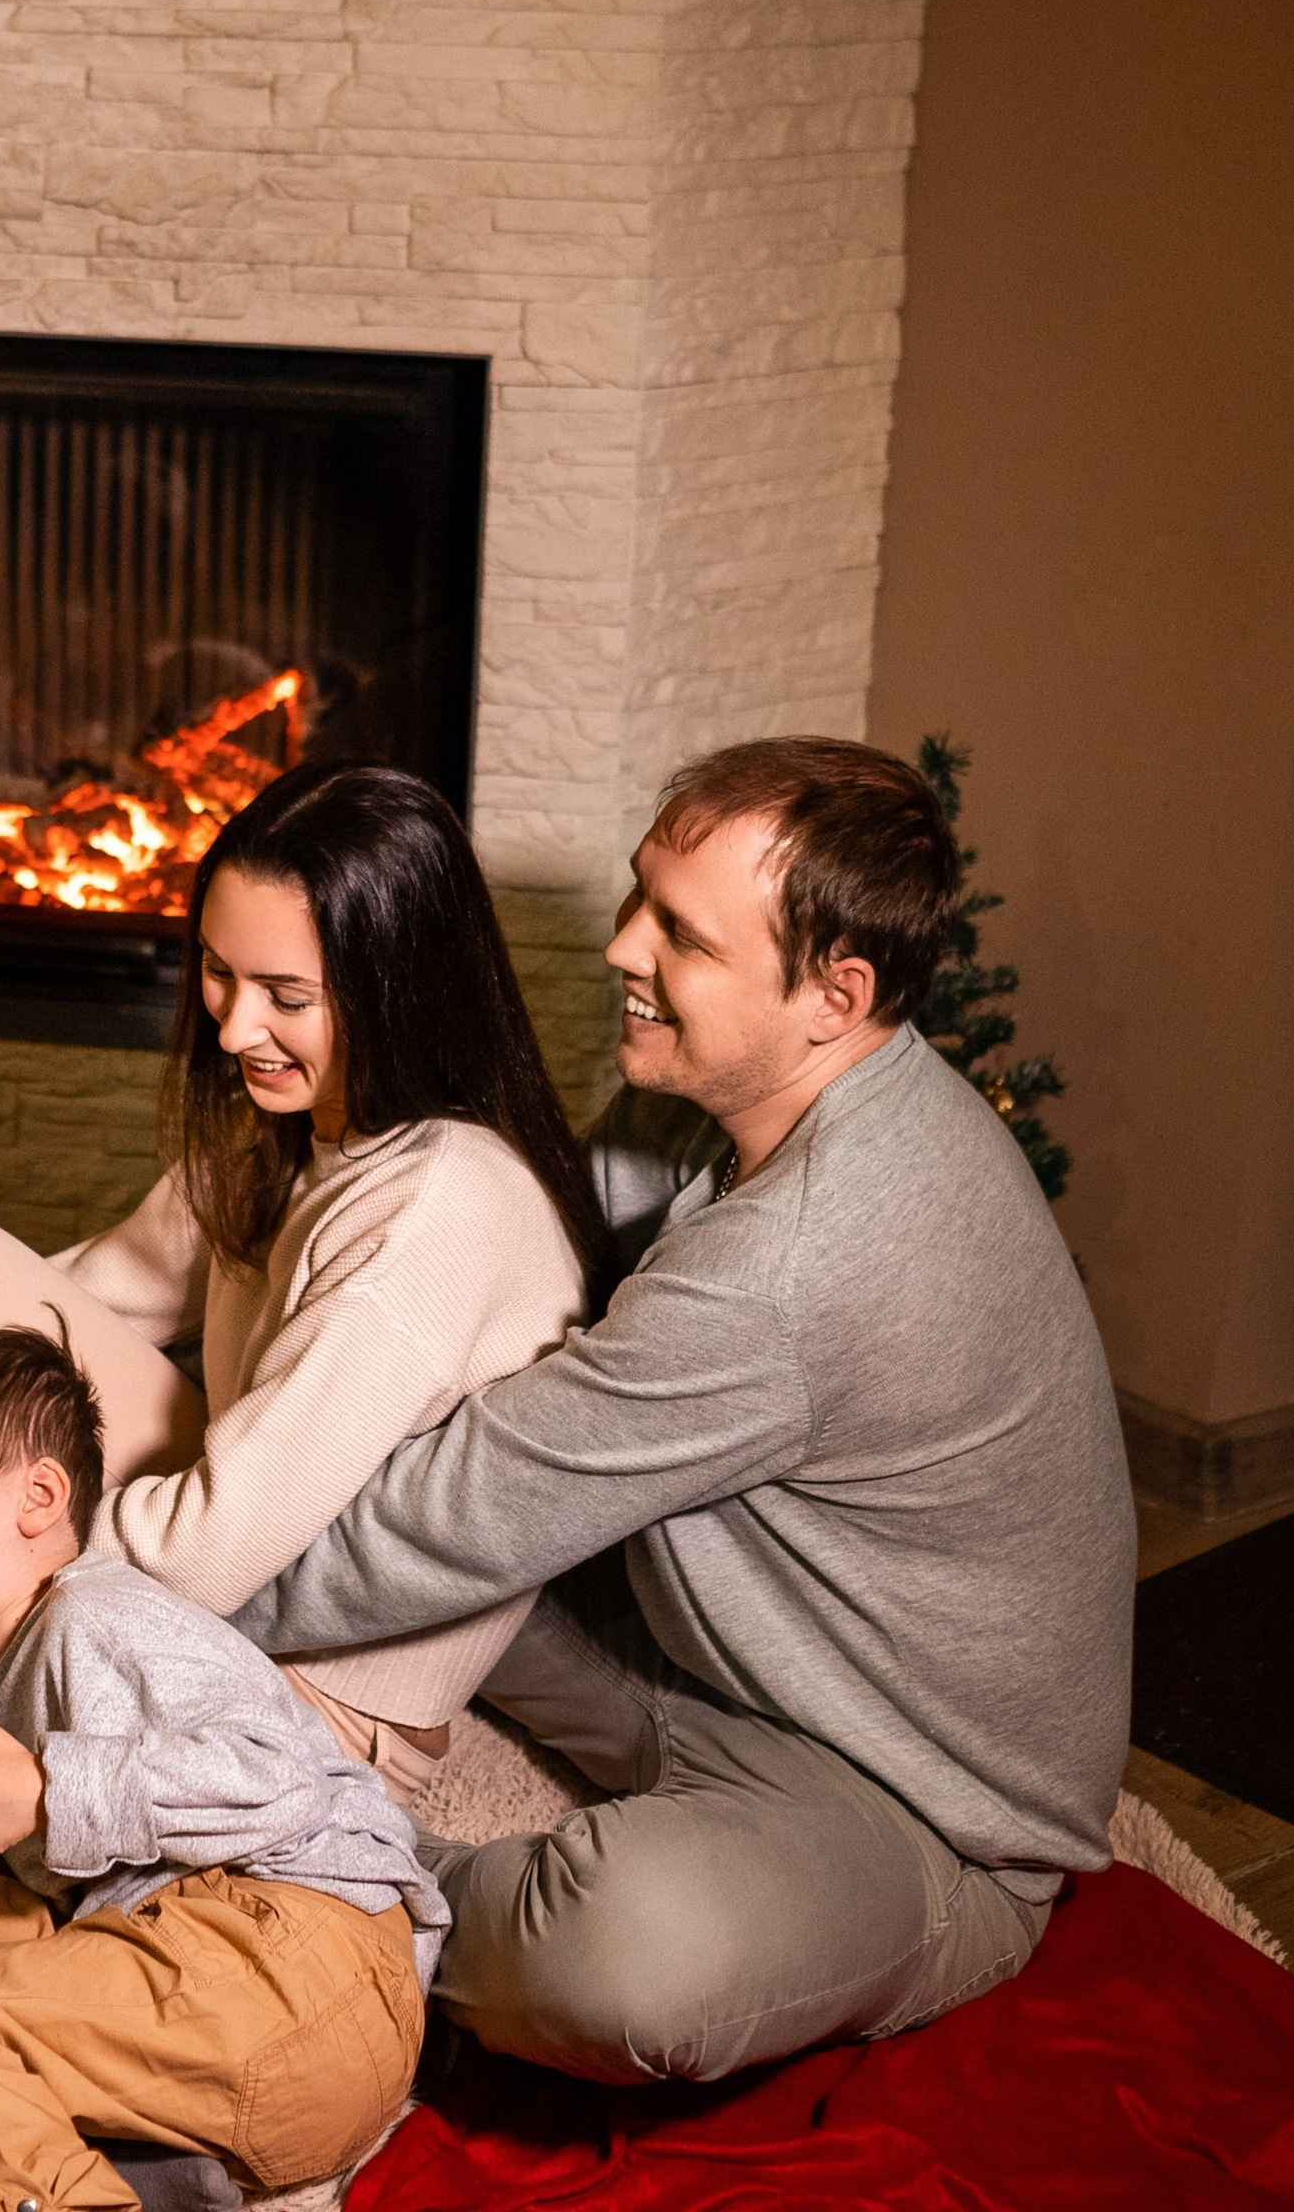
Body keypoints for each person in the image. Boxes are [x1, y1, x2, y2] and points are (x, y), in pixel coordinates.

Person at [222, 737, 1137, 2083]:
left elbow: (457, 1514)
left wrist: (137, 1595)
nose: (622, 950)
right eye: (641, 896)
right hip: (712, 1645)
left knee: (624, 1963)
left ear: (836, 993)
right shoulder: (731, 1098)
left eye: (685, 938)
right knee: (389, 1474)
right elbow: (502, 1394)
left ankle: (294, 1882)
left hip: (915, 1810)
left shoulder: (799, 1262)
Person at [0, 761, 608, 1804]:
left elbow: (210, 1552)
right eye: (216, 971)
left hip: (304, 1691)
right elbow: (99, 1287)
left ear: (399, 988)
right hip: (221, 1526)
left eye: (286, 996)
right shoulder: (296, 1121)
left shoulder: (439, 1209)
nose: (232, 1027)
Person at [0, 1325, 445, 2212]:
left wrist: (46, 1795)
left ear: (38, 1497)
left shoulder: (98, 1612)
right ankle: (17, 2143)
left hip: (299, 1958)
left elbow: (279, 1777)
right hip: (220, 2026)